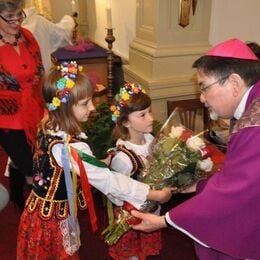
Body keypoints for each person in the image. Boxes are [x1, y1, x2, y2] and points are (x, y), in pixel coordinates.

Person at [16, 61, 173, 259]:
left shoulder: (50, 124)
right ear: (64, 108)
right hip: (52, 220)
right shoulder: (70, 146)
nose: (92, 107)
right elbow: (107, 180)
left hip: (38, 209)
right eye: (84, 103)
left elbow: (68, 164)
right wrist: (152, 194)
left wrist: (98, 161)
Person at [131, 38, 260, 260]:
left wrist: (165, 220)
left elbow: (237, 192)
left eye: (204, 87)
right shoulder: (251, 109)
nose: (201, 98)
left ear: (235, 83)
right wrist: (197, 186)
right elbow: (238, 178)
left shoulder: (254, 127)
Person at [108, 83, 161, 260]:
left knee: (146, 252)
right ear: (126, 122)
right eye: (142, 115)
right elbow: (114, 192)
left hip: (151, 211)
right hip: (132, 218)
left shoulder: (150, 139)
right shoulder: (123, 157)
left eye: (150, 112)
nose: (150, 118)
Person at [0, 0, 44, 210]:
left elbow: (40, 70)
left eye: (19, 14)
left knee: (33, 159)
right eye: (9, 16)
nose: (16, 21)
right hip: (7, 119)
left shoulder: (27, 37)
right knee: (32, 168)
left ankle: (18, 196)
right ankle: (39, 220)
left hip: (35, 111)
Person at [22, 4, 76, 72]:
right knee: (71, 73)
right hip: (42, 78)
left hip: (41, 78)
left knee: (71, 72)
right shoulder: (37, 21)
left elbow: (60, 33)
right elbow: (62, 33)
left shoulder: (36, 21)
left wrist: (69, 20)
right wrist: (70, 20)